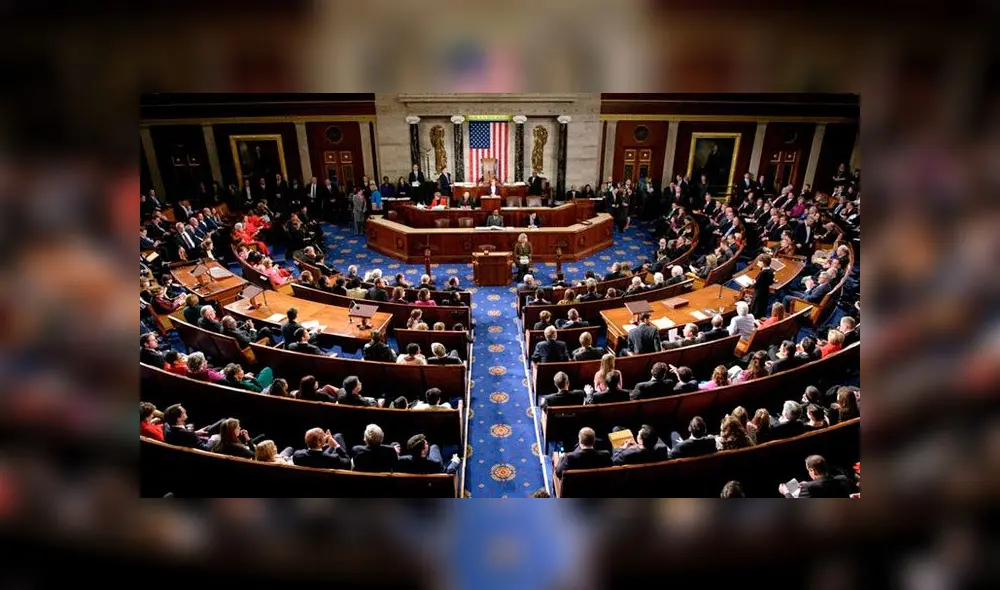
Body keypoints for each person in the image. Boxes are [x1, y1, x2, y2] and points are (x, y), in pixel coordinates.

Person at [779, 455, 852, 498]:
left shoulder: (808, 487)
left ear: (812, 470)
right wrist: (808, 483)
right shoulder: (843, 478)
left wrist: (786, 492)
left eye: (808, 470)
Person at [747, 254, 775, 318]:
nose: (758, 262)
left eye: (759, 261)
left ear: (763, 263)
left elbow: (756, 285)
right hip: (765, 292)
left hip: (759, 294)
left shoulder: (762, 273)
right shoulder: (771, 270)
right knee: (762, 307)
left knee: (755, 309)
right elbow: (770, 282)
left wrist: (751, 283)